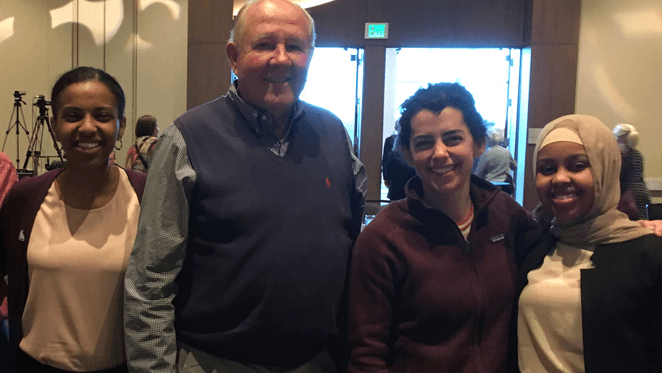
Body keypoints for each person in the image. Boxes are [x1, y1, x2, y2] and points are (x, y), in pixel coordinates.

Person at [123, 0, 366, 372]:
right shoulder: (187, 139)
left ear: (310, 57)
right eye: (265, 44)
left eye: (295, 46)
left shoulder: (334, 135)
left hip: (316, 361)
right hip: (214, 362)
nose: (281, 59)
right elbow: (150, 281)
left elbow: (349, 251)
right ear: (233, 57)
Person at [347, 82, 549, 373]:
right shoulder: (383, 239)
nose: (440, 153)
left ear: (478, 143)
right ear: (407, 153)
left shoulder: (506, 217)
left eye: (453, 139)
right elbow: (367, 355)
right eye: (424, 143)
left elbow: (561, 247)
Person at [0, 66, 147, 372]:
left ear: (120, 127)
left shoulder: (146, 197)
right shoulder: (24, 198)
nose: (88, 127)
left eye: (103, 116)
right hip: (33, 365)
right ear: (54, 125)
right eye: (72, 115)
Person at [515, 114, 662, 372]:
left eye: (577, 166)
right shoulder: (534, 242)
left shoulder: (647, 255)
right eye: (547, 169)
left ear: (605, 168)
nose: (560, 178)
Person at [613, 123, 650, 220]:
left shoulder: (622, 154)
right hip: (640, 193)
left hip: (629, 195)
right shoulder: (636, 154)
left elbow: (619, 177)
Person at [473, 125, 516, 192]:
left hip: (490, 187)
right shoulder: (506, 152)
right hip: (505, 186)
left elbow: (479, 172)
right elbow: (514, 167)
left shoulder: (486, 154)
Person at [382, 131, 416, 201]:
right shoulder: (414, 141)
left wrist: (386, 178)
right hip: (411, 185)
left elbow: (386, 162)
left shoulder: (391, 142)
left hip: (396, 185)